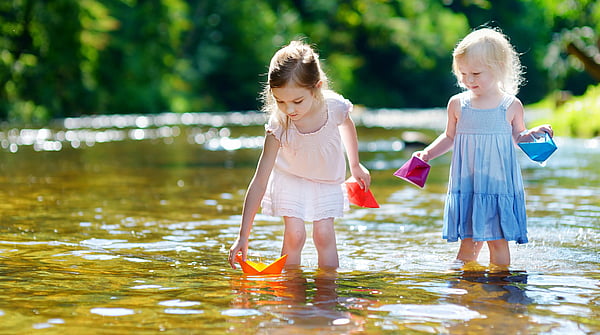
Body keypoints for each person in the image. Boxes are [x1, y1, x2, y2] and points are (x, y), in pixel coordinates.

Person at [412, 27, 553, 270]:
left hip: (497, 186)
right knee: (468, 241)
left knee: (497, 242)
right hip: (468, 185)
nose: (469, 80)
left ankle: (501, 287)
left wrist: (531, 134)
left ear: (498, 68)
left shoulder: (510, 105)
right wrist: (427, 153)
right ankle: (464, 289)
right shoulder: (458, 104)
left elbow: (517, 137)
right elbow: (449, 137)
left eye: (476, 73)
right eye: (463, 73)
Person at [228, 40, 371, 269]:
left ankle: (327, 292)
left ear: (317, 87)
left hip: (326, 178)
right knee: (295, 234)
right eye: (280, 101)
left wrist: (355, 165)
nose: (290, 109)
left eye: (297, 101)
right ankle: (291, 291)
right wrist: (243, 235)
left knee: (323, 234)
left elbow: (347, 125)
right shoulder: (279, 124)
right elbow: (259, 181)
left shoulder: (333, 107)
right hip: (290, 178)